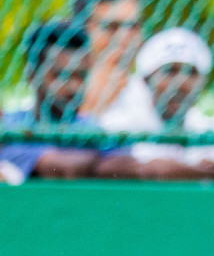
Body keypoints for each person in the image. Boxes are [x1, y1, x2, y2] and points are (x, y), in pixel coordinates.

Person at [0, 21, 127, 182]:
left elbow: (132, 165)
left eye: (81, 76)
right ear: (32, 75)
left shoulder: (92, 127)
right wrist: (102, 159)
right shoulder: (10, 128)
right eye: (61, 75)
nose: (74, 86)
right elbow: (64, 167)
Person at [126, 28, 214, 181]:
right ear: (147, 80)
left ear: (203, 82)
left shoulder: (213, 128)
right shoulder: (126, 123)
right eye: (169, 71)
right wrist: (209, 171)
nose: (181, 82)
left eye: (191, 72)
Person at [69, 0, 160, 133]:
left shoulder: (154, 95)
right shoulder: (56, 91)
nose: (124, 38)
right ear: (81, 31)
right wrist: (91, 108)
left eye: (133, 26)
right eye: (111, 27)